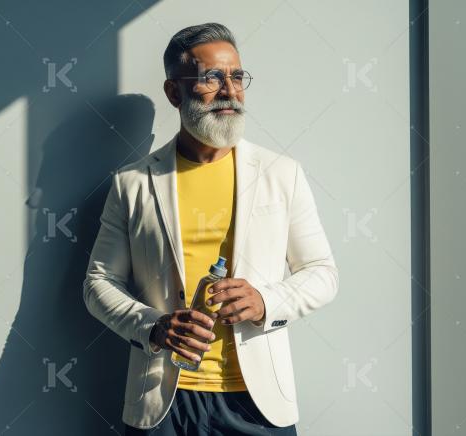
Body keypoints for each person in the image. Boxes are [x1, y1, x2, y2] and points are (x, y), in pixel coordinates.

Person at [82, 22, 339, 435]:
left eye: (237, 76)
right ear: (174, 93)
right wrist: (153, 326)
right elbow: (98, 283)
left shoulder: (282, 174)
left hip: (257, 403)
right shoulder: (131, 183)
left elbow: (323, 273)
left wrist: (265, 300)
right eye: (211, 77)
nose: (229, 91)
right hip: (163, 401)